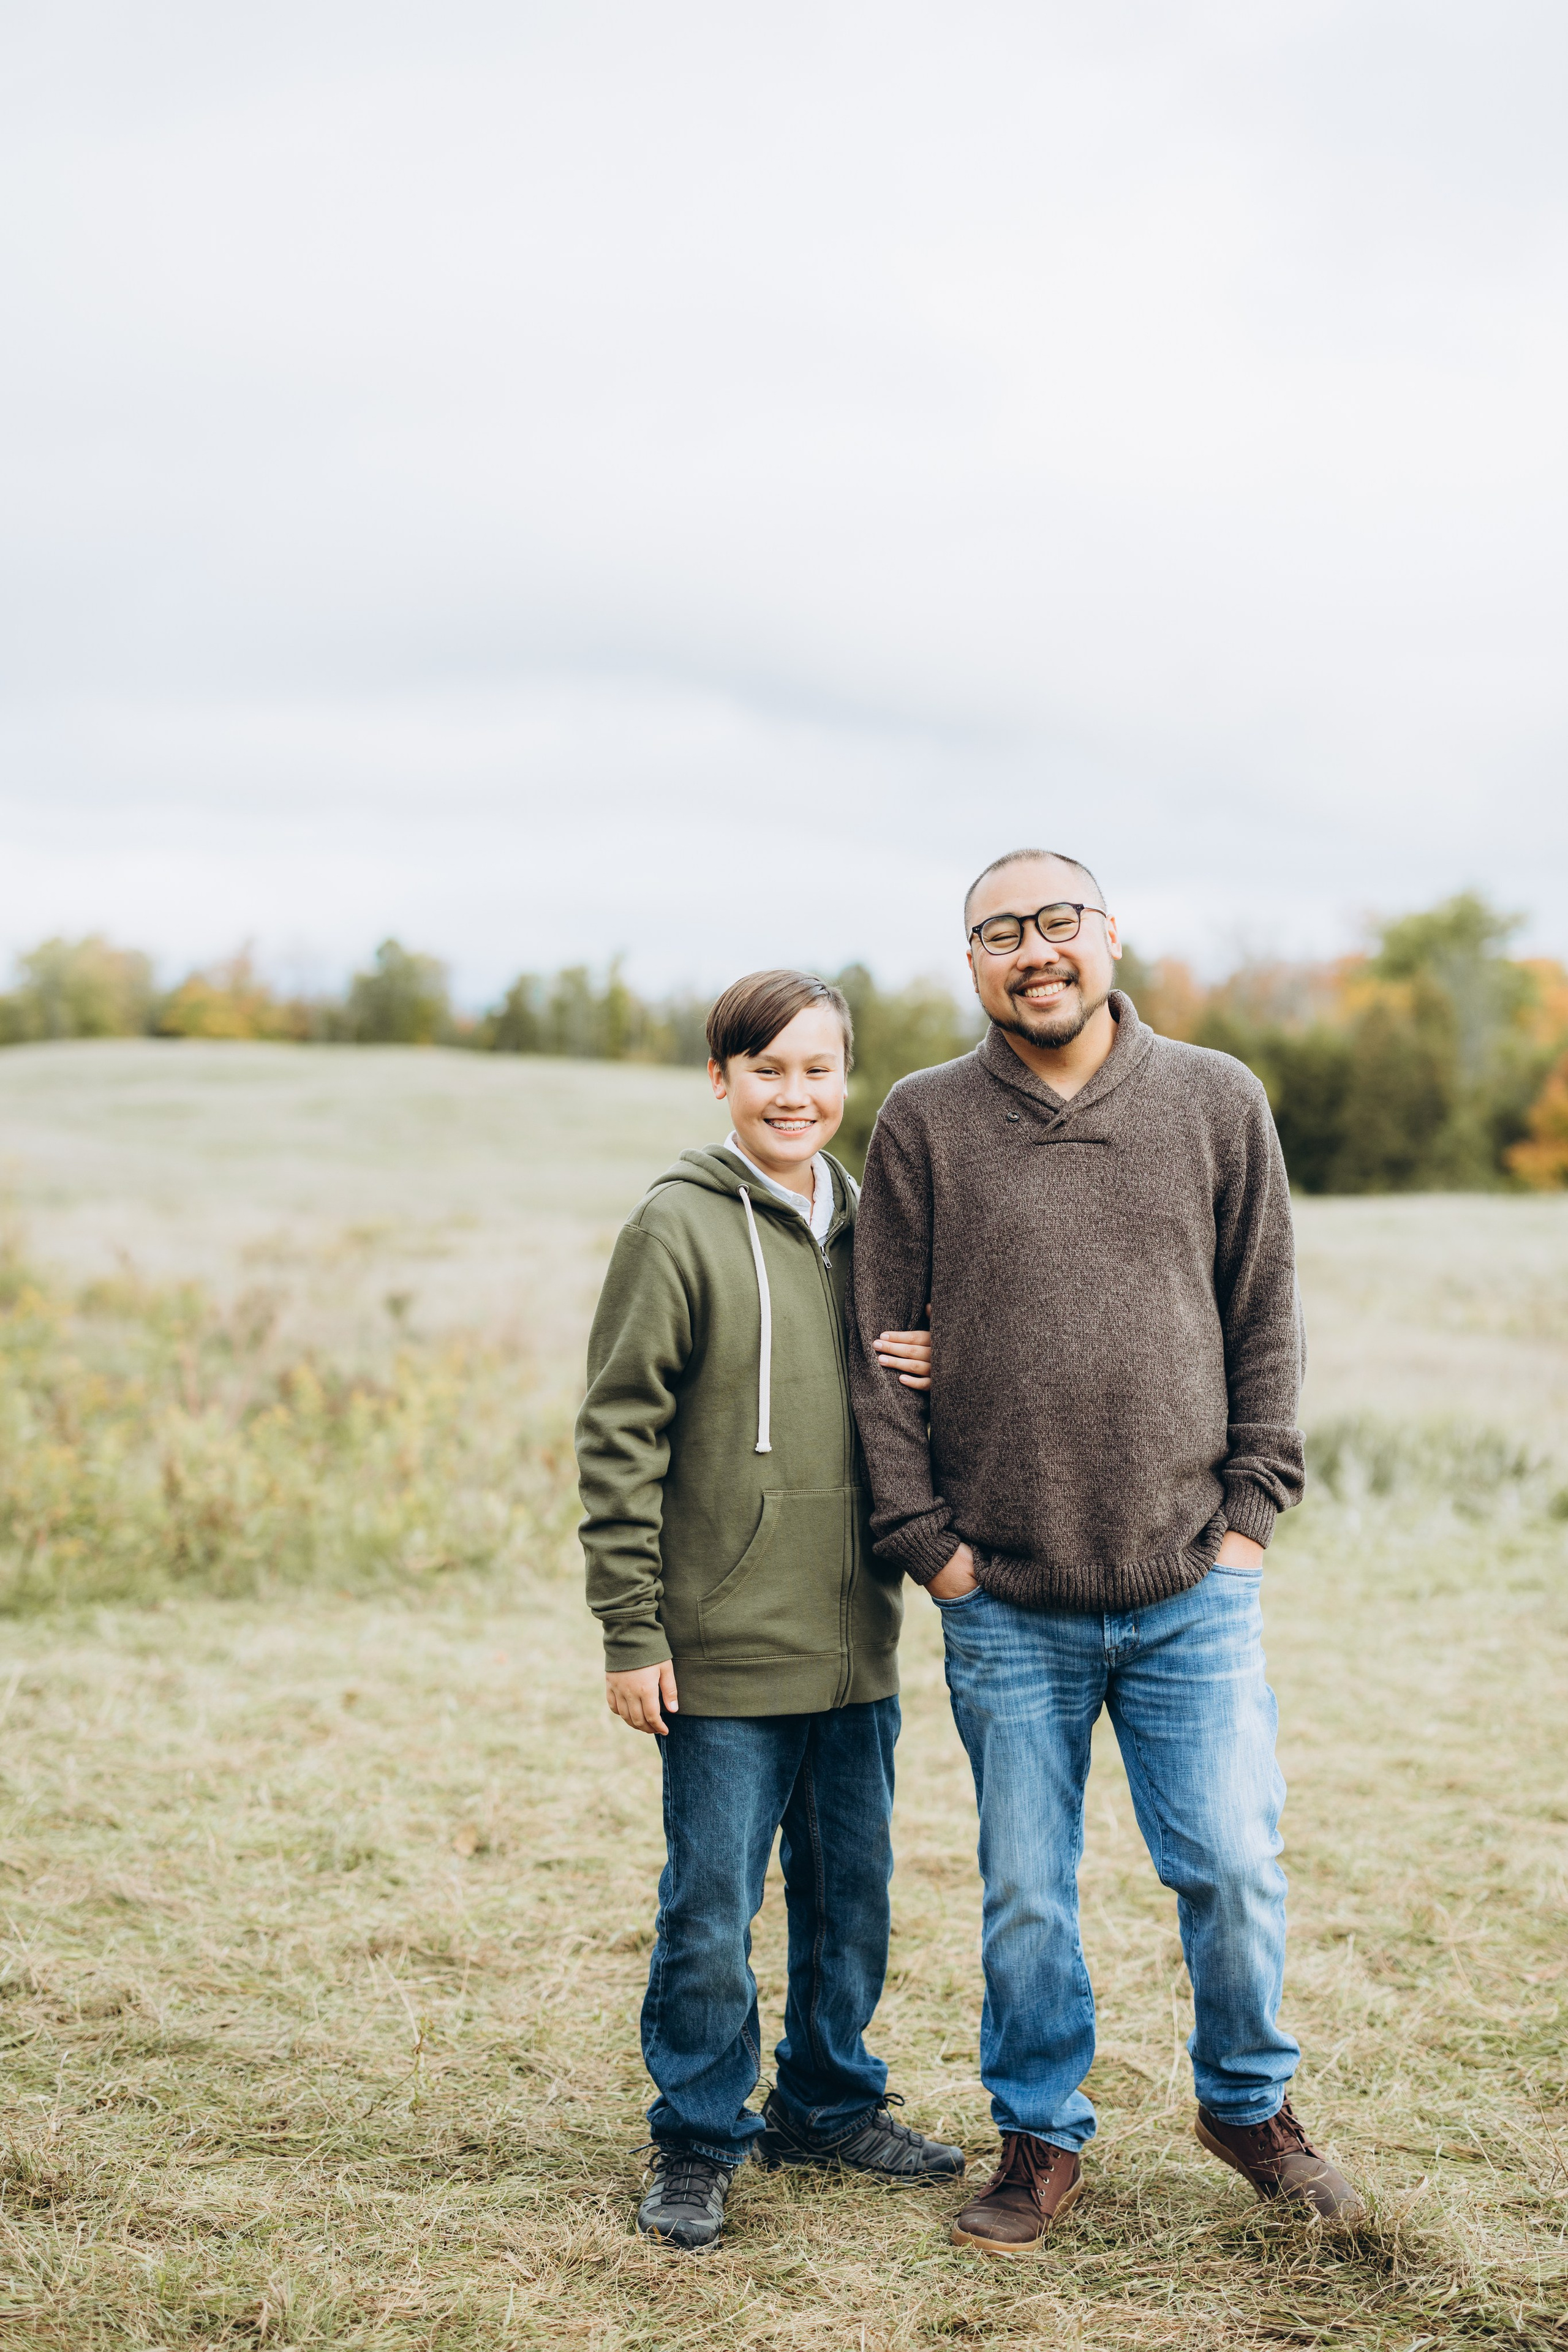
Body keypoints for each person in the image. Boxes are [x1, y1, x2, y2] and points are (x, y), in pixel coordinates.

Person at [848, 849, 1365, 2255]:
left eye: (1053, 922)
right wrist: (928, 1549)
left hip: (1191, 1586)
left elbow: (1263, 1313)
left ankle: (1246, 2107)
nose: (1032, 951)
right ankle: (1036, 2138)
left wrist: (1248, 1520)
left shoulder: (1213, 1098)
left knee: (1231, 1869)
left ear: (1106, 934)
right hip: (1003, 1595)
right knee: (1024, 1888)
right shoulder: (922, 1120)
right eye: (998, 933)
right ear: (971, 964)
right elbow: (873, 1353)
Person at [576, 967, 963, 2255]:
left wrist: (936, 1353)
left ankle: (828, 2102)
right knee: (709, 1907)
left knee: (850, 1896)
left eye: (817, 1069)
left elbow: (920, 1385)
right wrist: (631, 1632)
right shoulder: (674, 1228)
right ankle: (696, 2135)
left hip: (858, 1643)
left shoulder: (875, 1230)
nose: (794, 1094)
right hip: (722, 1653)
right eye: (767, 1069)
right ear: (721, 1079)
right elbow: (617, 1437)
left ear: (844, 1078)